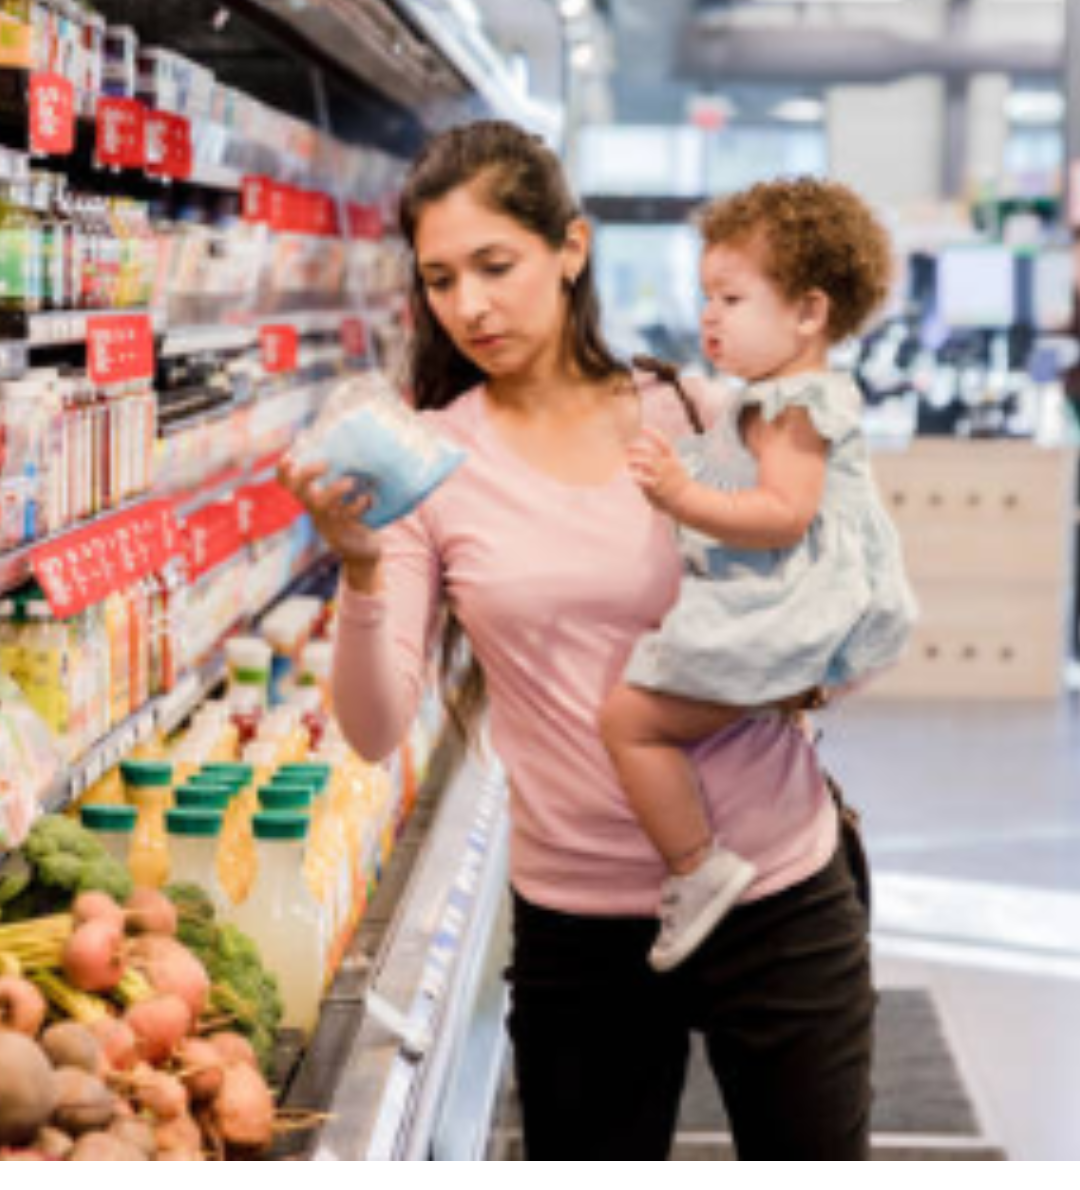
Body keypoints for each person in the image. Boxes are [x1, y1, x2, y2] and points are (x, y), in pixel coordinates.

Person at [279, 121, 877, 1161]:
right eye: (441, 278)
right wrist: (363, 569)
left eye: (496, 265)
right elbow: (375, 731)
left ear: (572, 247)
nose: (469, 305)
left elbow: (840, 597)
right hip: (582, 925)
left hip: (775, 887)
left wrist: (811, 668)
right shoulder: (430, 465)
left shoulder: (698, 409)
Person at [599, 177, 918, 973]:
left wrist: (682, 494)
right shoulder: (772, 395)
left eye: (732, 298)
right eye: (707, 296)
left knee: (632, 722)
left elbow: (784, 513)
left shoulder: (793, 405)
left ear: (809, 312)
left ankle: (695, 865)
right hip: (798, 594)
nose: (709, 316)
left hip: (794, 602)